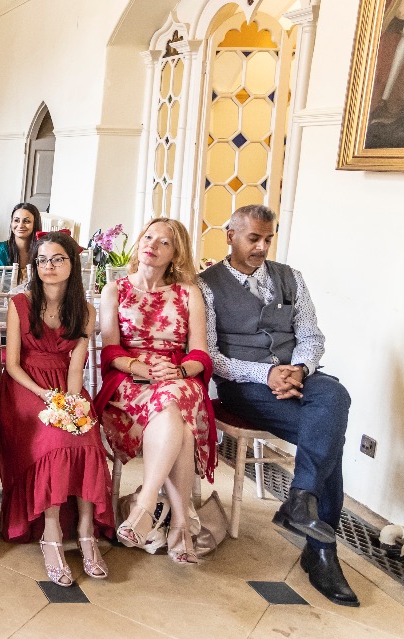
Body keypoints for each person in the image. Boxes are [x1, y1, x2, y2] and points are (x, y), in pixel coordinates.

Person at [199, 205, 358, 606]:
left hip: (298, 375)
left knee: (335, 395)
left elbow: (311, 335)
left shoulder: (292, 278)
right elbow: (210, 355)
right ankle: (321, 552)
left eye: (267, 239)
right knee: (329, 438)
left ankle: (301, 500)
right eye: (253, 238)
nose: (261, 247)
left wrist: (300, 369)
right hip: (245, 385)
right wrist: (264, 374)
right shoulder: (206, 286)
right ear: (230, 236)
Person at [92, 217, 215, 565]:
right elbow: (111, 351)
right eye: (148, 237)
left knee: (173, 399)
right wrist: (140, 368)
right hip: (129, 380)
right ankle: (180, 526)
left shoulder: (189, 293)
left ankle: (145, 506)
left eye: (164, 242)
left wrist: (178, 371)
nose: (152, 245)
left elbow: (200, 353)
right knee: (180, 426)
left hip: (177, 376)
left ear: (176, 254)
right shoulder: (115, 289)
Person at [0, 231, 112, 586]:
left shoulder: (86, 310)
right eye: (42, 260)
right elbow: (12, 365)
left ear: (72, 264)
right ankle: (51, 532)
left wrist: (72, 404)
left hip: (65, 384)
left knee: (86, 436)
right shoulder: (20, 303)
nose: (49, 266)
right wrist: (45, 396)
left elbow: (76, 367)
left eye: (58, 259)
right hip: (25, 387)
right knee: (55, 440)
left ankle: (86, 530)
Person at [0, 202, 42, 271]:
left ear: (35, 224)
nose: (20, 225)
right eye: (16, 220)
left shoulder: (42, 251)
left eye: (26, 221)